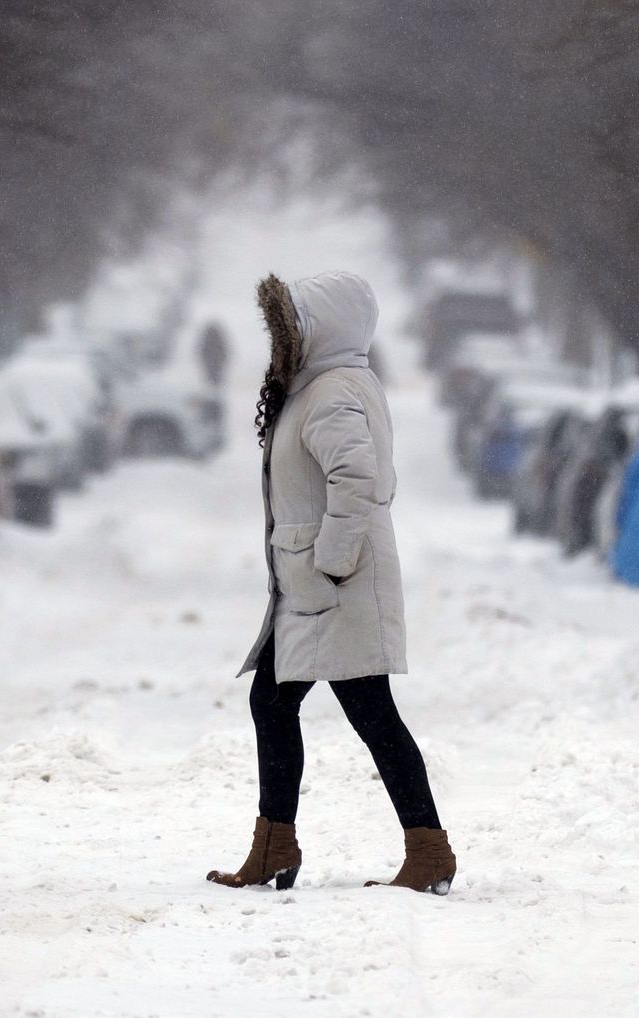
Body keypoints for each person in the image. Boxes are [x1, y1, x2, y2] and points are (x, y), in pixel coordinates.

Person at [206, 270, 455, 895]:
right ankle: (278, 846)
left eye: (290, 326)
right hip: (315, 586)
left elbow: (357, 478)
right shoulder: (322, 386)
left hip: (336, 583)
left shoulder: (332, 391)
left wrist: (333, 560)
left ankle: (425, 851)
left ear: (321, 329)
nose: (281, 339)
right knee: (282, 702)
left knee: (366, 713)